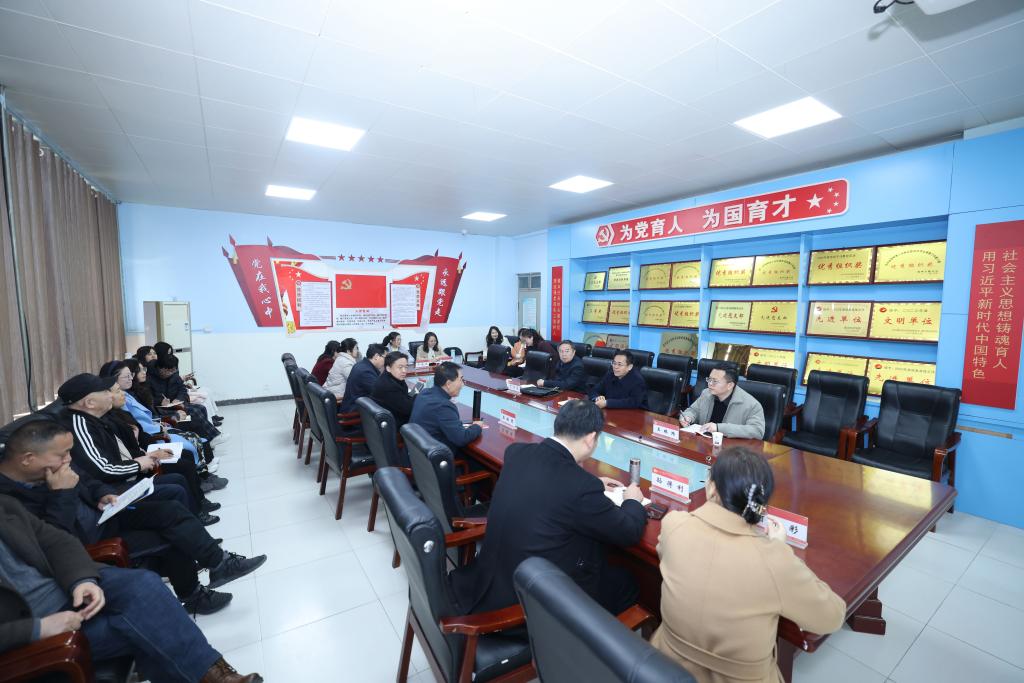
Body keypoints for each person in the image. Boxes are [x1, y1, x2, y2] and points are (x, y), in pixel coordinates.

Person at [0, 419, 266, 615]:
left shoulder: (53, 464)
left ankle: (220, 564)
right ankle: (194, 595)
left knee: (170, 511)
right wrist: (61, 494)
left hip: (103, 515)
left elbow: (88, 481)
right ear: (27, 459)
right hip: (85, 542)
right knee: (171, 536)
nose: (69, 459)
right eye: (63, 455)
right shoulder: (8, 500)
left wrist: (101, 493)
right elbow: (51, 542)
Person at [0, 492, 263, 682]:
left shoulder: (5, 505)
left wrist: (81, 579)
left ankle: (217, 674)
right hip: (27, 628)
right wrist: (37, 628)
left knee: (145, 584)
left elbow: (57, 541)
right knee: (152, 628)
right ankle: (217, 676)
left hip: (65, 588)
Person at [651, 447, 845, 682]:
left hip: (663, 668)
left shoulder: (675, 524)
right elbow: (832, 616)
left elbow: (666, 553)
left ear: (711, 487)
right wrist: (780, 549)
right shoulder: (773, 560)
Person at [452, 399, 646, 615]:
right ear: (591, 438)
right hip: (530, 602)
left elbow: (551, 482)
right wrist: (631, 501)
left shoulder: (517, 453)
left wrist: (594, 483)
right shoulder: (581, 486)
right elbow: (629, 532)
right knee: (626, 582)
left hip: (491, 578)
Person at [409, 362, 485, 454]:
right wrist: (477, 426)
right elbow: (461, 438)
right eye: (460, 380)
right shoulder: (443, 406)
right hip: (434, 457)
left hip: (416, 453)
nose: (462, 385)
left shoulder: (424, 393)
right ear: (448, 384)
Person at [679, 367, 765, 440]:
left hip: (731, 449)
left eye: (715, 381)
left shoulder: (752, 405)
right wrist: (688, 417)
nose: (710, 384)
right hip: (704, 443)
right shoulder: (706, 393)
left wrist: (719, 428)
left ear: (730, 385)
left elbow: (757, 431)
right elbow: (694, 410)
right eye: (709, 379)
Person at [371, 351, 416, 427]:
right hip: (395, 424)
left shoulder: (392, 377)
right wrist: (417, 395)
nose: (404, 371)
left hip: (394, 415)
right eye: (400, 367)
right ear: (388, 368)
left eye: (406, 367)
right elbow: (408, 409)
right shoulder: (389, 386)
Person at [339, 343, 387, 414]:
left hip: (356, 406)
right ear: (376, 356)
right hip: (354, 412)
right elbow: (380, 393)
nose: (386, 361)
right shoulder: (366, 372)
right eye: (385, 358)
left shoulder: (362, 364)